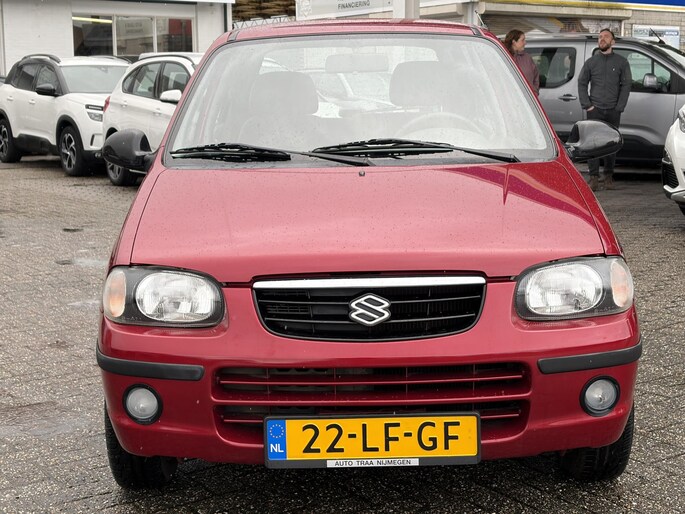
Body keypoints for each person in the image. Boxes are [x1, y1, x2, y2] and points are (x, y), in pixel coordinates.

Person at [578, 28, 632, 191]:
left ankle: (608, 177)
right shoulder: (591, 62)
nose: (602, 39)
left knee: (611, 143)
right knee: (592, 144)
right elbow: (582, 83)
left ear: (612, 42)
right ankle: (594, 178)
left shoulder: (621, 62)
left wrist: (619, 107)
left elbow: (626, 85)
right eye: (600, 37)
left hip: (613, 110)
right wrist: (587, 105)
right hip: (595, 110)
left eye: (606, 37)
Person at [503, 29, 540, 95]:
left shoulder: (527, 58)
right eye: (522, 40)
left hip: (529, 97)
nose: (525, 43)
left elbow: (536, 76)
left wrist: (535, 92)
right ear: (514, 42)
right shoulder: (504, 57)